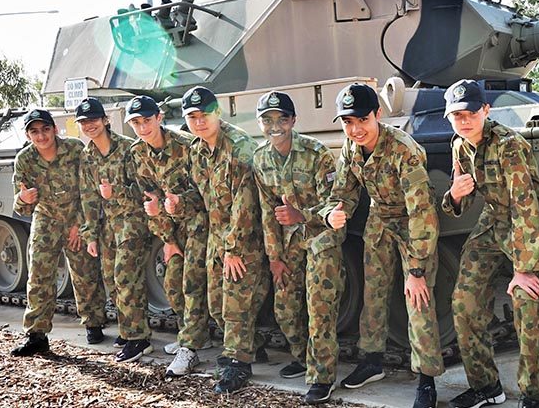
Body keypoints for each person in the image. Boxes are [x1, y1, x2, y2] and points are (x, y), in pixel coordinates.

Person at [319, 83, 444, 408]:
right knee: (373, 293)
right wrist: (336, 211)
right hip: (379, 218)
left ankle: (426, 379)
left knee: (418, 298)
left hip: (412, 221)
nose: (355, 129)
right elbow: (344, 191)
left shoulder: (403, 149)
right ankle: (372, 361)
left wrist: (416, 268)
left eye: (362, 119)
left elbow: (422, 211)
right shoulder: (351, 147)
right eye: (347, 122)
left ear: (378, 114)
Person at [441, 80, 539, 408]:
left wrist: (525, 268)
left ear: (485, 111)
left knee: (527, 302)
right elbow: (457, 200)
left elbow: (526, 206)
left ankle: (533, 394)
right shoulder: (459, 146)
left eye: (471, 113)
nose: (463, 121)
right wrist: (455, 195)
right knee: (464, 302)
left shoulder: (508, 145)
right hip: (493, 222)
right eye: (456, 115)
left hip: (528, 224)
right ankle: (486, 386)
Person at [166, 86, 269, 394]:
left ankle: (237, 365)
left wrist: (234, 248)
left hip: (243, 239)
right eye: (192, 117)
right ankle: (253, 344)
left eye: (204, 115)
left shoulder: (239, 147)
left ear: (217, 113)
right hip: (216, 238)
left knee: (235, 304)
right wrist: (178, 205)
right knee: (216, 305)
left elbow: (245, 202)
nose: (199, 122)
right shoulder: (197, 150)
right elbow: (201, 198)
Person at [252, 91, 345, 404]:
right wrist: (274, 258)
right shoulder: (261, 159)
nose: (274, 125)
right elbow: (268, 212)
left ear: (292, 120)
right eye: (267, 119)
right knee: (285, 307)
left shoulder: (316, 153)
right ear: (260, 123)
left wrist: (301, 215)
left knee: (319, 308)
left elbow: (333, 206)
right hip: (290, 241)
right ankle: (304, 356)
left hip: (322, 238)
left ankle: (322, 377)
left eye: (281, 119)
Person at [125, 95, 212, 376]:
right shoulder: (138, 153)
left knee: (193, 284)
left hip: (198, 223)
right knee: (173, 283)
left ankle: (190, 348)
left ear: (159, 118)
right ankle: (195, 334)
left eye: (146, 120)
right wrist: (168, 239)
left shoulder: (187, 146)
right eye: (136, 123)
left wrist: (178, 203)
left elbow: (205, 195)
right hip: (171, 227)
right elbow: (150, 200)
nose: (142, 127)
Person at [11, 109, 108, 356]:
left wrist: (79, 224)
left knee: (85, 272)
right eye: (34, 131)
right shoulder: (24, 160)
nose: (41, 135)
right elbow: (21, 206)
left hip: (76, 216)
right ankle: (37, 334)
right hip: (46, 219)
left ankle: (93, 322)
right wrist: (23, 198)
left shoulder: (75, 150)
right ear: (28, 135)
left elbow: (89, 190)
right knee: (39, 274)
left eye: (45, 129)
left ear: (55, 129)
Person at [76, 98, 153, 362]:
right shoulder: (87, 157)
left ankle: (138, 339)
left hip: (132, 221)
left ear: (105, 120)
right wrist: (90, 235)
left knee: (125, 277)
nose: (89, 125)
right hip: (108, 226)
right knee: (111, 279)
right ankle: (128, 328)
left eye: (94, 120)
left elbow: (145, 188)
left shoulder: (127, 149)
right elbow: (88, 198)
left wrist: (115, 191)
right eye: (84, 122)